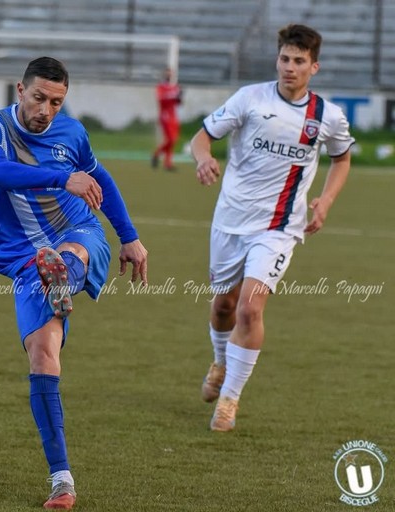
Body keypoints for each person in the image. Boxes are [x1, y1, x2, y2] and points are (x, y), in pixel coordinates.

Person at [0, 56, 148, 510]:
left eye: (56, 102)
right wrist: (62, 176)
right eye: (39, 98)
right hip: (23, 256)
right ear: (20, 90)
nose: (46, 110)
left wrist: (129, 236)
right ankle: (62, 479)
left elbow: (99, 176)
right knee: (43, 356)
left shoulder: (72, 133)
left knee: (75, 249)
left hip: (78, 232)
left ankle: (63, 274)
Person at [190, 24, 354, 432]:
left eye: (299, 61)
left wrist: (325, 201)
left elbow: (341, 158)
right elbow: (202, 138)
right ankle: (220, 361)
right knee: (224, 305)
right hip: (230, 220)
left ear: (314, 67)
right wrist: (203, 158)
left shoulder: (327, 116)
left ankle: (229, 400)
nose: (289, 67)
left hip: (279, 227)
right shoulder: (249, 98)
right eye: (284, 59)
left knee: (249, 308)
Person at [151, 67, 182, 171]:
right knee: (171, 139)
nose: (169, 75)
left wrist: (179, 96)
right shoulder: (161, 87)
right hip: (165, 116)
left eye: (170, 74)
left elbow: (178, 102)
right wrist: (173, 96)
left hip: (173, 116)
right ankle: (158, 155)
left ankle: (166, 162)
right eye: (167, 73)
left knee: (173, 140)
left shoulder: (174, 87)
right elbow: (161, 99)